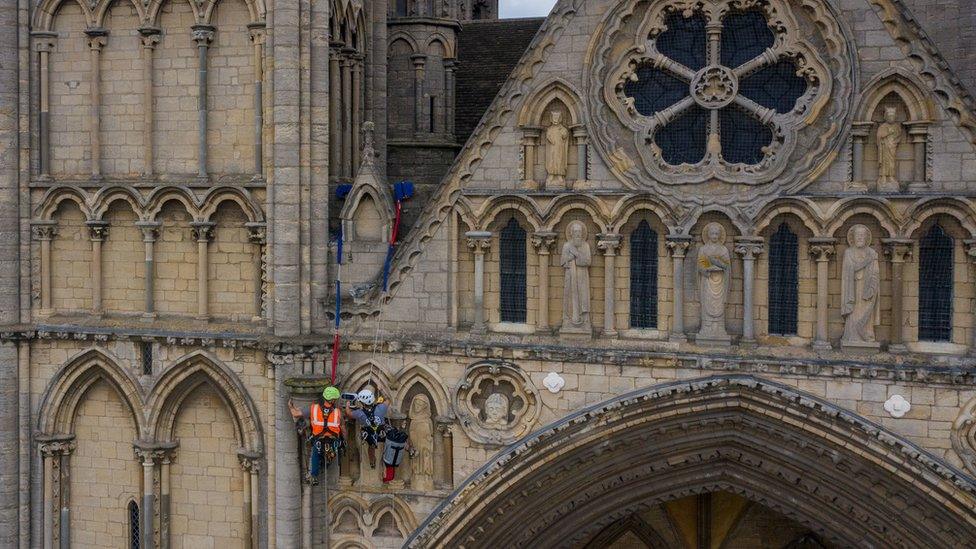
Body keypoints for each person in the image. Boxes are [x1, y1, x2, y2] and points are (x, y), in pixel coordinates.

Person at [288, 386, 344, 484]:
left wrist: (290, 406)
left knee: (315, 454)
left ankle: (314, 476)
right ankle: (327, 462)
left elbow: (295, 414)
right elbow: (342, 429)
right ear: (333, 400)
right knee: (334, 452)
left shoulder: (314, 409)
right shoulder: (338, 412)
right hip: (332, 441)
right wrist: (344, 440)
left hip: (318, 439)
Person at [346, 388, 389, 468]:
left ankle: (372, 461)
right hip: (381, 435)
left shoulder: (360, 413)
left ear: (363, 402)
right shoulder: (381, 408)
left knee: (370, 446)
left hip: (369, 437)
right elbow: (387, 400)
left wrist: (348, 405)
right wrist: (381, 390)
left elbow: (348, 413)